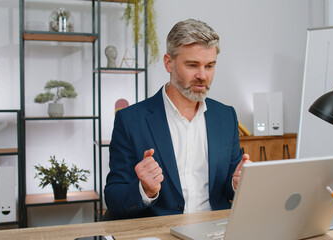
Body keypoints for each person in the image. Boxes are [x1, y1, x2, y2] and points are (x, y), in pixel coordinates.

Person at [104, 19, 251, 219]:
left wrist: (236, 184)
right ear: (168, 63)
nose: (202, 76)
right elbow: (114, 197)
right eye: (192, 65)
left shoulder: (226, 117)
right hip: (160, 232)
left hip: (215, 230)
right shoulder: (130, 120)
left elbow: (226, 187)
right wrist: (145, 190)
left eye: (209, 66)